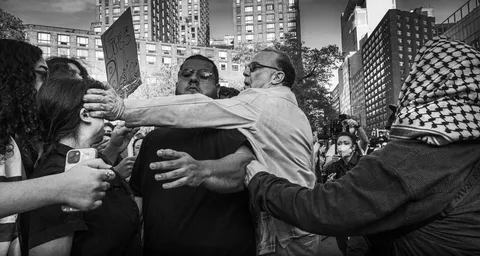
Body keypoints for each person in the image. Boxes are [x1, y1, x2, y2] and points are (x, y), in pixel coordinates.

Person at [244, 37, 480, 255]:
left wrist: (260, 182)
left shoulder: (414, 159)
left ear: (426, 82)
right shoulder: (468, 146)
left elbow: (326, 208)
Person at [83, 48, 319, 255]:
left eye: (254, 67)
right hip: (300, 221)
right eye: (185, 74)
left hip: (286, 230)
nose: (246, 73)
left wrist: (123, 108)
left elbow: (198, 107)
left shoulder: (261, 102)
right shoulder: (293, 112)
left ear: (277, 77)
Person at [129, 55, 256, 255]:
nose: (194, 79)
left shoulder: (235, 129)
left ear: (217, 88)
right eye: (186, 74)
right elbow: (138, 196)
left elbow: (244, 171)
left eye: (205, 76)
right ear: (177, 84)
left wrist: (203, 170)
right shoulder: (152, 138)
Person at [0, 39, 114, 255]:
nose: (50, 87)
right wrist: (62, 186)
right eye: (43, 74)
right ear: (12, 75)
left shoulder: (9, 142)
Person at [28, 77, 141, 256]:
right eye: (102, 109)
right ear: (85, 114)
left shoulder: (86, 162)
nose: (107, 118)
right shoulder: (58, 175)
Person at [324, 132, 369, 256]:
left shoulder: (363, 163)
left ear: (353, 147)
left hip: (360, 214)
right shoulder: (334, 166)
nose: (342, 146)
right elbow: (327, 190)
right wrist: (329, 184)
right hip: (341, 214)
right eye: (339, 143)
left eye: (346, 143)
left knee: (355, 249)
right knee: (343, 246)